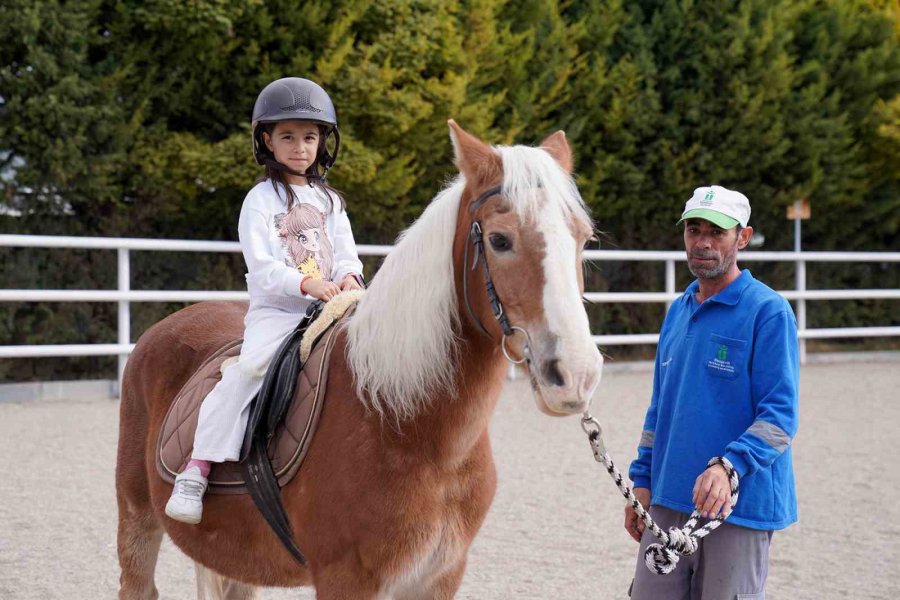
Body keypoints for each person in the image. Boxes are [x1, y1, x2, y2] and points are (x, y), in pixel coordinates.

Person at [165, 77, 364, 524]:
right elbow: (262, 267)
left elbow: (347, 253)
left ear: (322, 143)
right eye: (288, 137)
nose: (299, 147)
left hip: (333, 305)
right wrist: (307, 285)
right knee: (250, 369)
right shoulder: (259, 200)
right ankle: (197, 468)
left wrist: (350, 276)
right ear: (267, 140)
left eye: (309, 137)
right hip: (281, 310)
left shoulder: (331, 201)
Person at [625, 185, 799, 599]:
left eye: (716, 232)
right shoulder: (678, 311)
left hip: (738, 510)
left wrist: (729, 466)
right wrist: (642, 481)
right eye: (693, 230)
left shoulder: (768, 312)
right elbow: (659, 410)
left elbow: (779, 416)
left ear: (742, 237)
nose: (702, 242)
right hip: (668, 499)